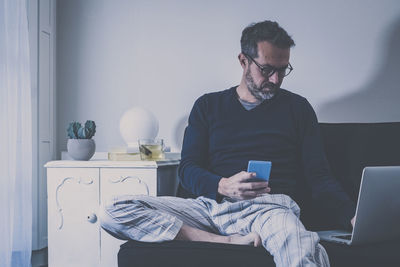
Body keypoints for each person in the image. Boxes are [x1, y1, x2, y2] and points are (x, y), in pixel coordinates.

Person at [100, 20, 356, 267]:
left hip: (270, 210)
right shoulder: (207, 106)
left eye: (283, 69)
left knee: (298, 246)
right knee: (111, 210)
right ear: (243, 60)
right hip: (210, 209)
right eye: (267, 69)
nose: (276, 79)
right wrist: (222, 186)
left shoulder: (298, 109)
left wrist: (352, 217)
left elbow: (320, 177)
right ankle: (226, 242)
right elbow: (187, 169)